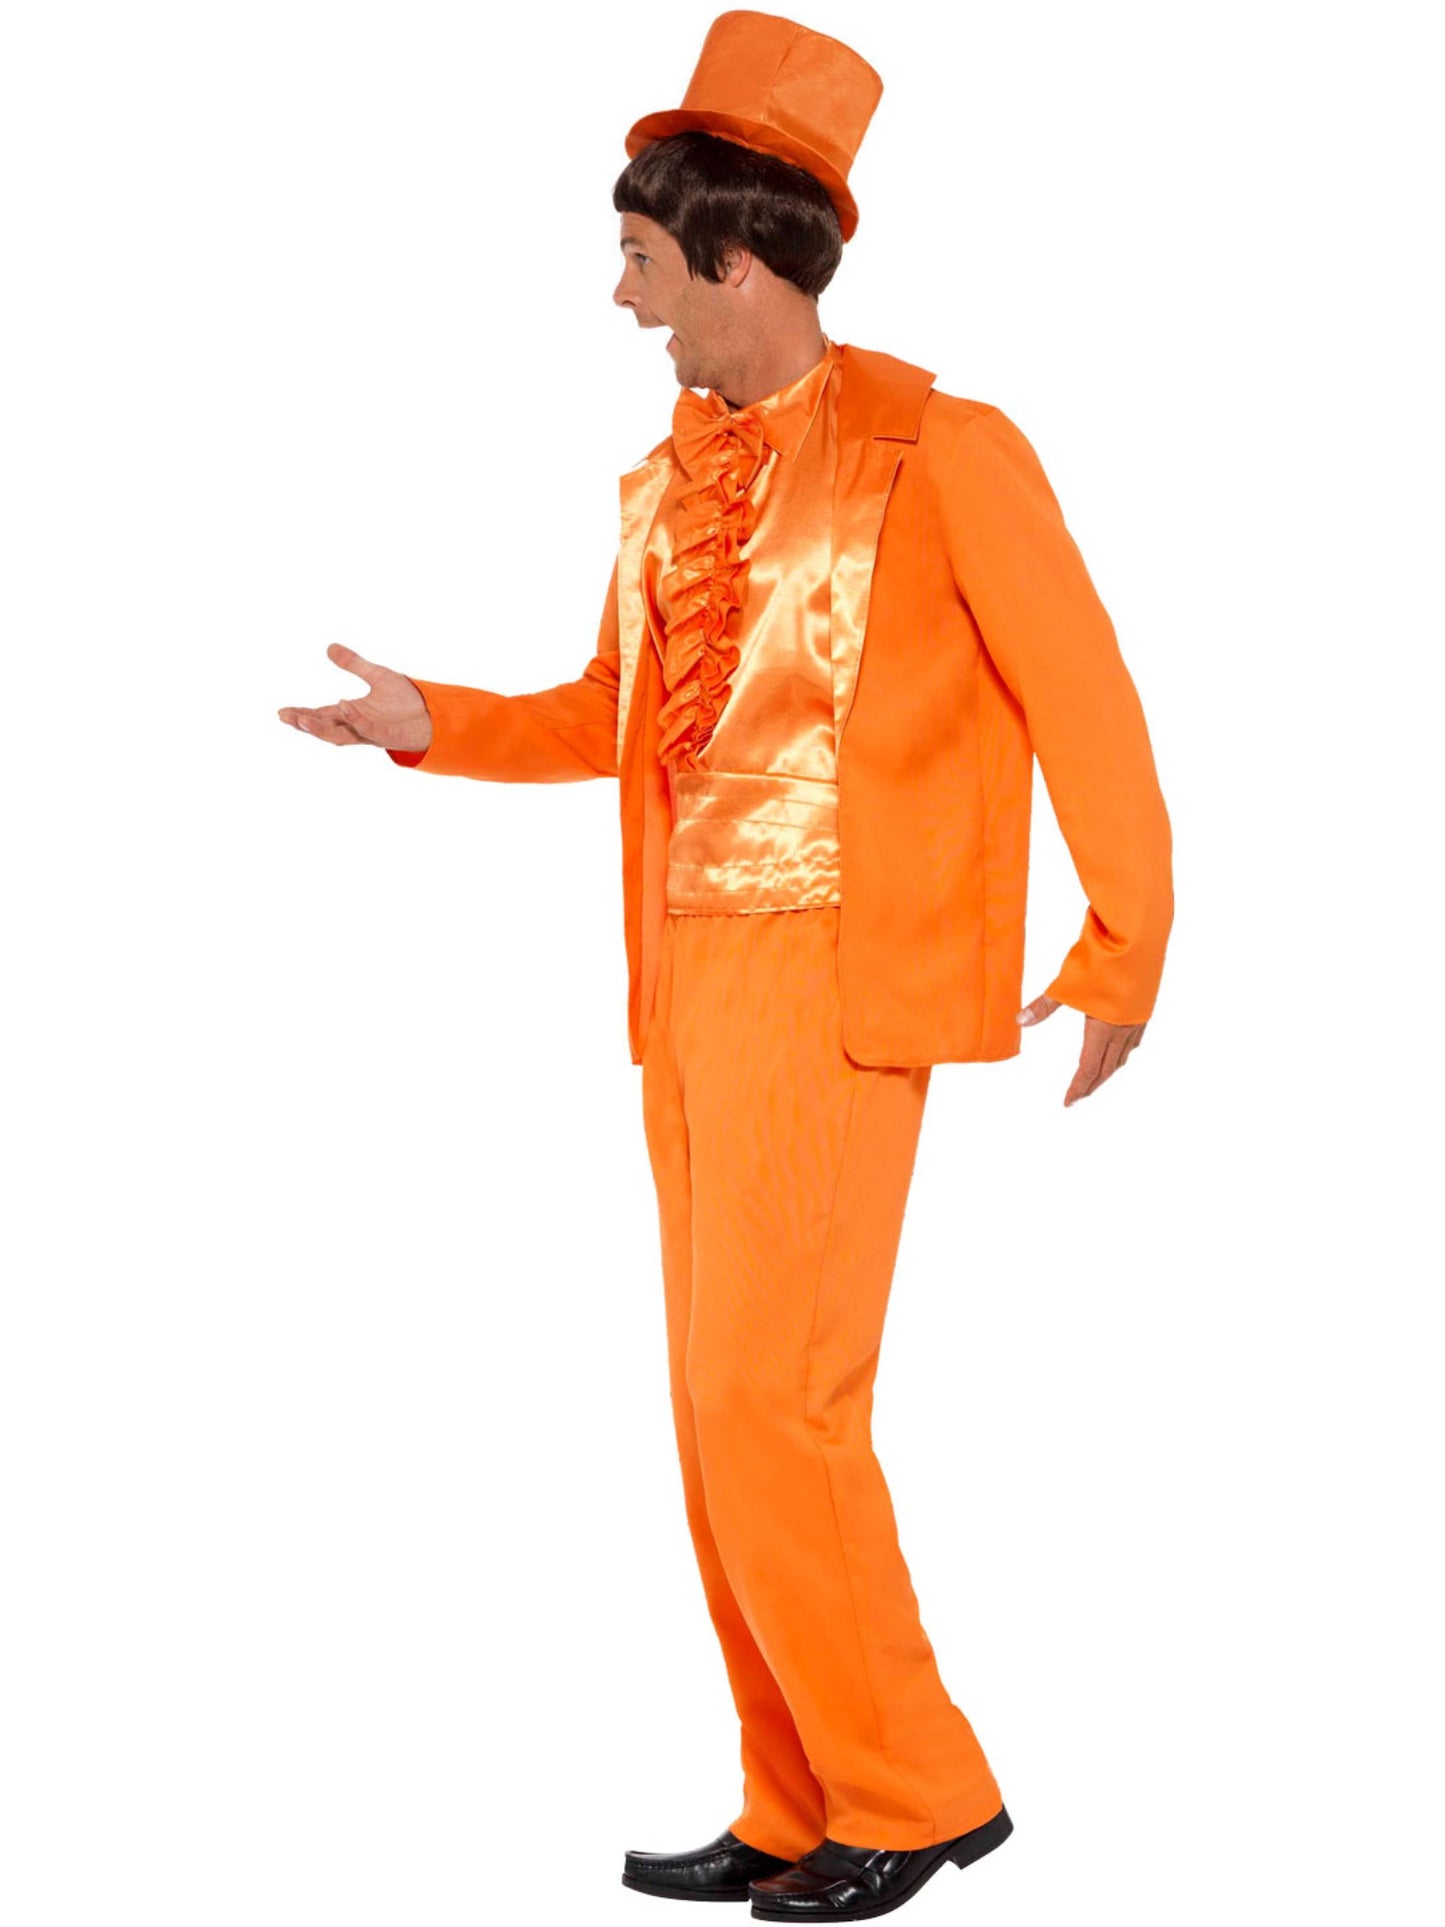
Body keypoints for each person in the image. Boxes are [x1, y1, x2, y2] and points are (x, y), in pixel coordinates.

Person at [277, 11, 1173, 1920]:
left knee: (781, 1403)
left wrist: (1122, 945)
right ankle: (794, 1794)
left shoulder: (946, 451)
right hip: (682, 986)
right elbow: (615, 714)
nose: (621, 299)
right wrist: (434, 722)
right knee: (715, 1418)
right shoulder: (659, 484)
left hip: (840, 983)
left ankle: (915, 1786)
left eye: (637, 259)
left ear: (735, 262)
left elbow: (1085, 701)